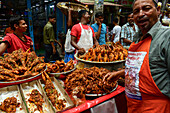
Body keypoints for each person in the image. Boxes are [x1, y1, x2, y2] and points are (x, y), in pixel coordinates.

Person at [103, 0, 170, 112]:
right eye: (136, 11)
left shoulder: (166, 37)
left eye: (146, 8)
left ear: (158, 10)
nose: (140, 14)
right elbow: (143, 69)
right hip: (134, 107)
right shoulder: (137, 38)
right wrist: (120, 73)